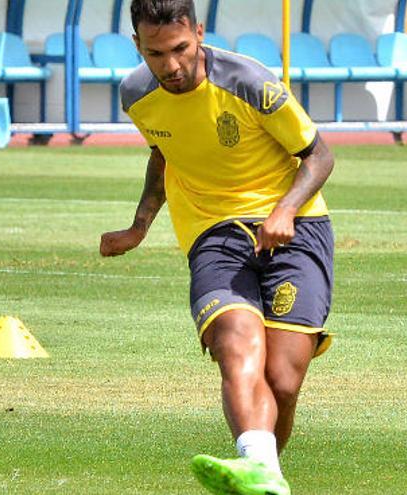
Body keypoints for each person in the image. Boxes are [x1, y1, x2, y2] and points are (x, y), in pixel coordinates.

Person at [99, 1, 335, 493]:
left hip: (294, 229)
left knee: (283, 380)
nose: (171, 66)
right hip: (213, 234)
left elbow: (318, 154)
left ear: (199, 33)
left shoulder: (250, 82)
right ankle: (259, 466)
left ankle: (265, 472)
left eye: (181, 49)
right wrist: (138, 227)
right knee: (234, 344)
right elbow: (164, 156)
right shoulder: (136, 94)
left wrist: (285, 209)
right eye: (155, 53)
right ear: (137, 47)